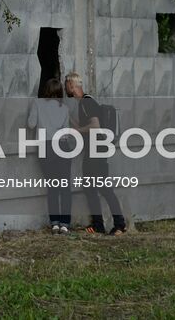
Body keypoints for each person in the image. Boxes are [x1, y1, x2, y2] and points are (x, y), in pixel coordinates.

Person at [65, 72, 127, 236]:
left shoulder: (87, 102)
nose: (66, 88)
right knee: (90, 187)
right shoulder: (84, 103)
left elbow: (95, 126)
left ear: (72, 85)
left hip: (96, 151)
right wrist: (70, 119)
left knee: (104, 188)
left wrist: (78, 130)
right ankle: (98, 225)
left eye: (67, 85)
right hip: (92, 151)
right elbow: (86, 125)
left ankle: (120, 225)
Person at [27, 78, 74, 232]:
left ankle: (54, 223)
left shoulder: (37, 103)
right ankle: (65, 224)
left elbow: (31, 124)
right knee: (65, 187)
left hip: (46, 146)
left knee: (53, 186)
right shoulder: (64, 108)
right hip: (62, 146)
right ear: (60, 91)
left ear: (46, 90)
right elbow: (66, 132)